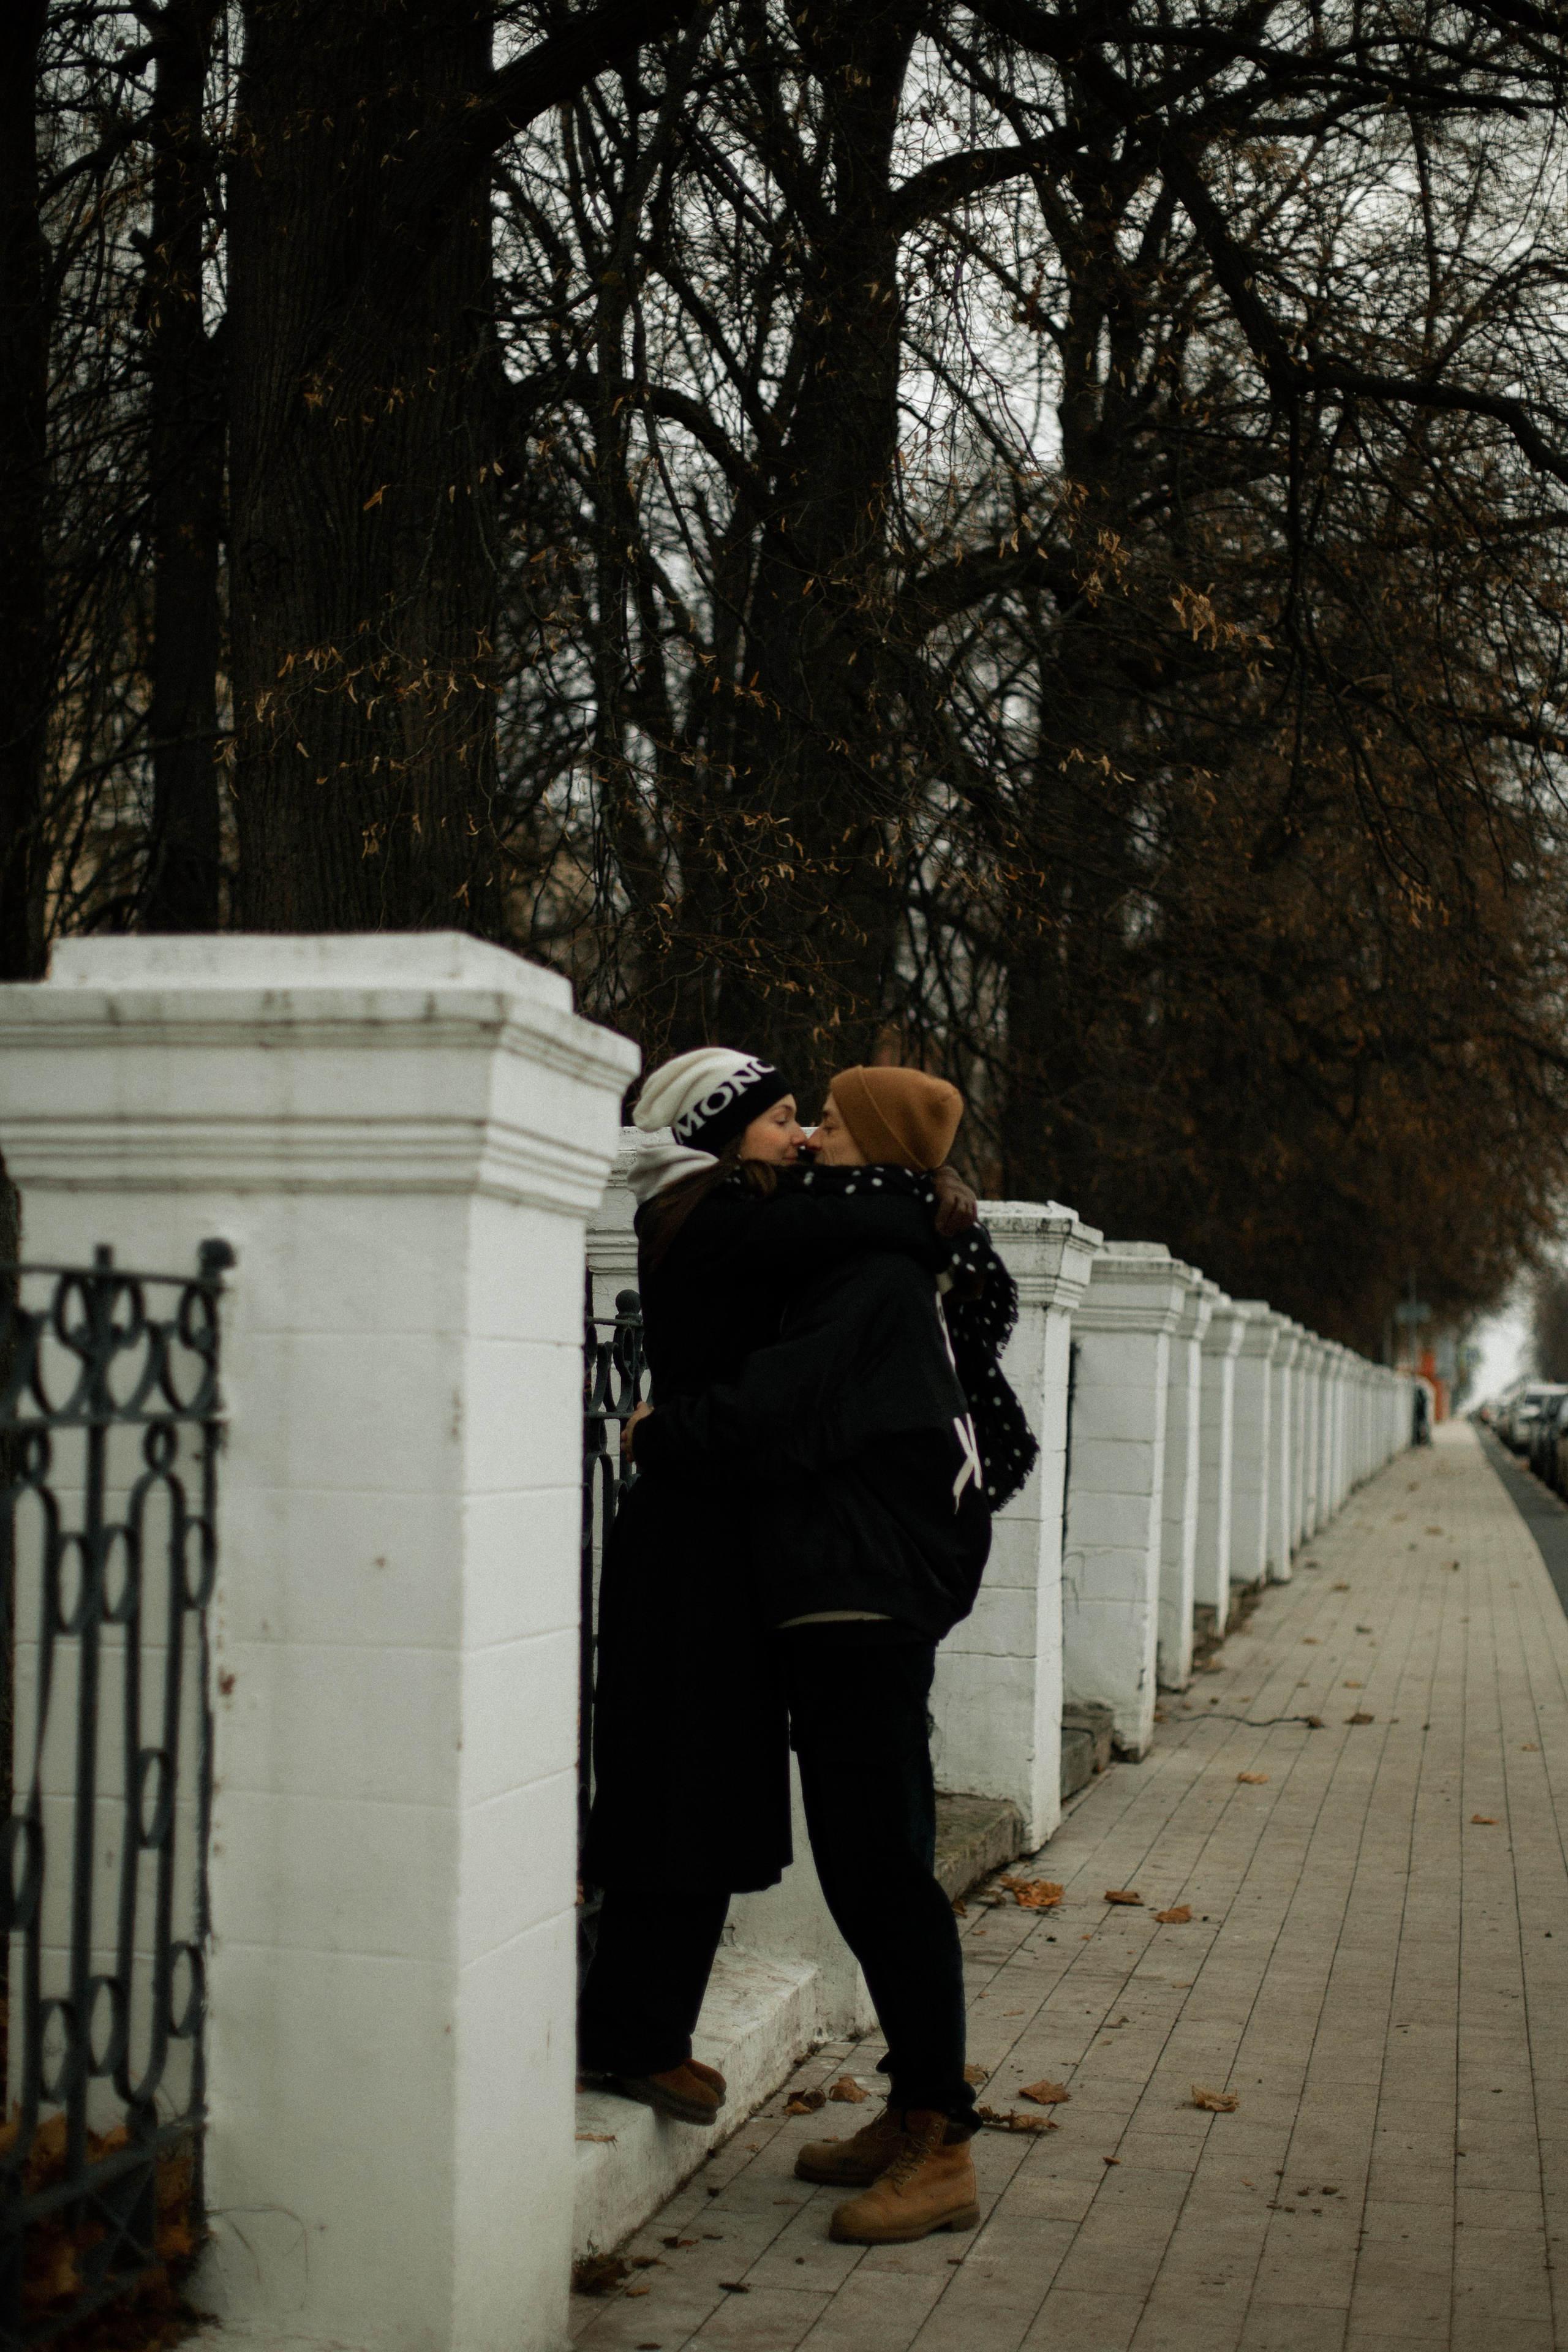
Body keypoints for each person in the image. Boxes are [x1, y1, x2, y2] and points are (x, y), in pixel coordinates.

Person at [624, 1066, 1036, 2247]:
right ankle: (912, 2113)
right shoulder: (865, 1255)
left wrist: (663, 1428)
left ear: (883, 1151)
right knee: (869, 1864)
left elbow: (774, 1405)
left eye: (834, 1124)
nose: (810, 1137)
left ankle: (943, 2144)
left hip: (858, 1604)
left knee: (885, 1867)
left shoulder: (870, 1274)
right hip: (845, 1596)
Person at [578, 1047, 979, 2132]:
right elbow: (858, 1230)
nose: (802, 1139)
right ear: (719, 1129)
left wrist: (924, 1186)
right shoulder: (706, 1214)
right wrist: (925, 1196)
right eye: (782, 1118)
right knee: (677, 1779)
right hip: (688, 1533)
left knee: (705, 1782)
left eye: (814, 1120)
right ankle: (631, 2033)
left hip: (731, 1531)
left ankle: (647, 2032)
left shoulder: (759, 1211)